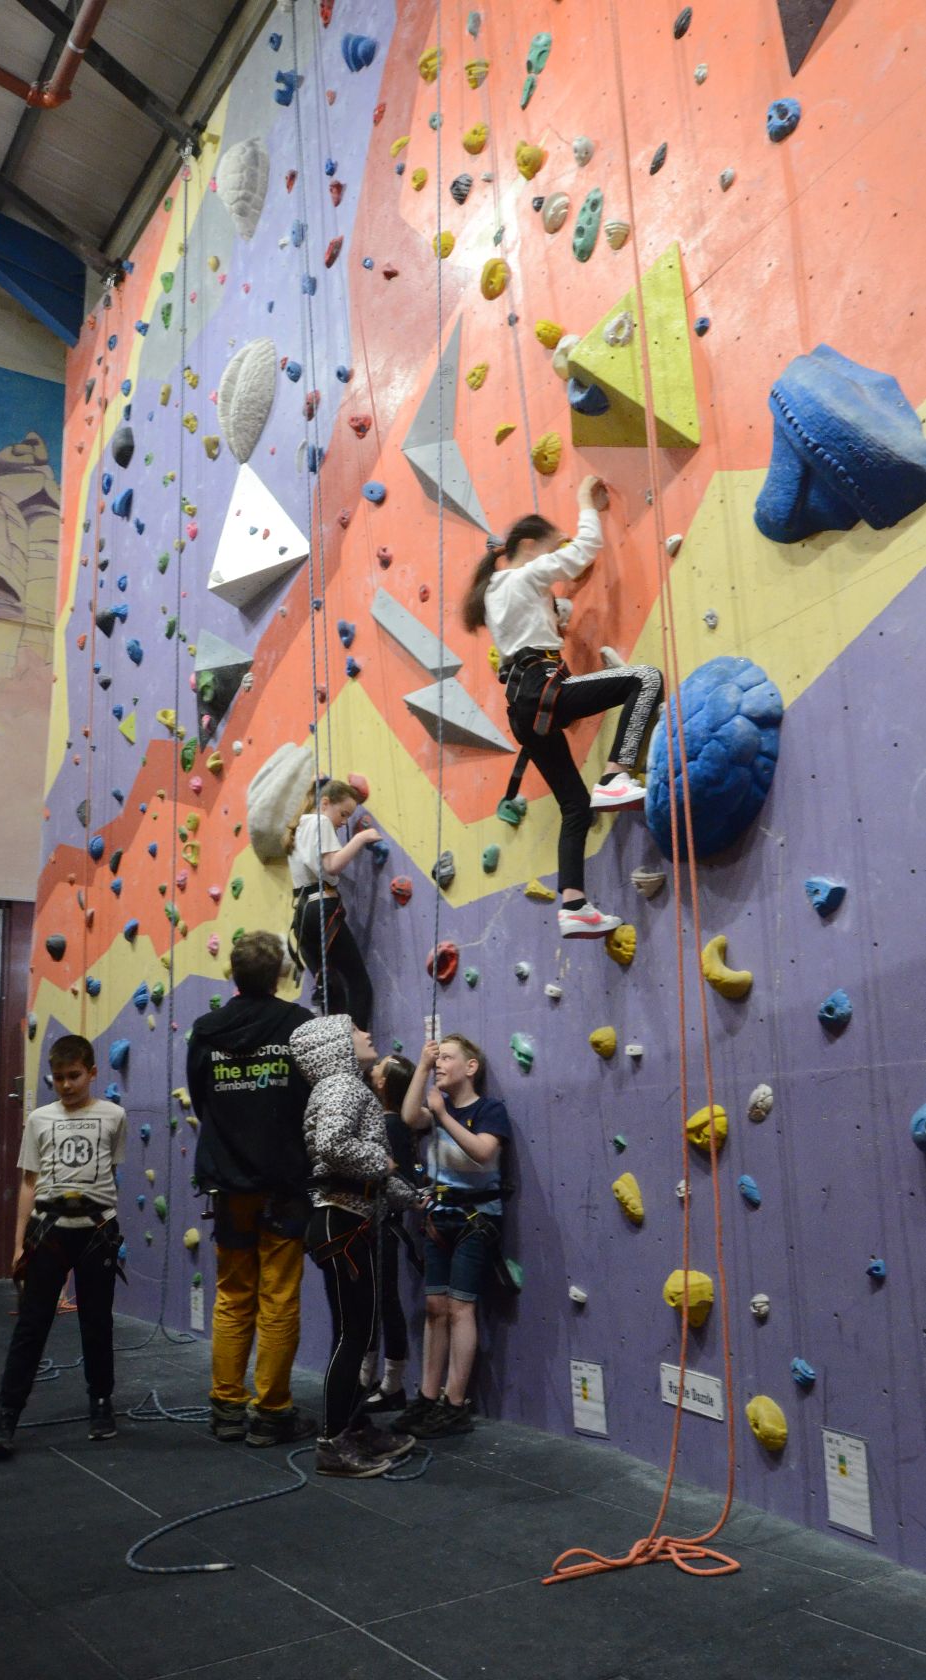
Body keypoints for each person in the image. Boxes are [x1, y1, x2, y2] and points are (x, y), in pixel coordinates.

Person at [462, 474, 663, 939]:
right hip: (541, 686)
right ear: (530, 547)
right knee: (646, 678)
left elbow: (545, 619)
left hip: (523, 708)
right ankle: (614, 775)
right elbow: (584, 550)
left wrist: (560, 614)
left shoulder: (495, 594)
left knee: (575, 807)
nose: (557, 555)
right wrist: (584, 502)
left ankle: (573, 904)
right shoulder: (525, 575)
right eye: (553, 547)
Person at [188, 931, 318, 1448]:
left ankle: (226, 1408)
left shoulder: (206, 1031)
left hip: (229, 1181)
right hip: (284, 1179)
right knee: (279, 1296)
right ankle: (271, 1413)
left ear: (233, 974)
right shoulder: (299, 1025)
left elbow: (202, 1099)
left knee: (233, 1293)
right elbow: (313, 1099)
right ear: (281, 974)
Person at [0, 1034, 126, 1459]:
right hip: (48, 1230)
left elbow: (110, 1173)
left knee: (97, 1322)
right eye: (59, 1077)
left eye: (74, 1076)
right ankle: (6, 1414)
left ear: (92, 1073)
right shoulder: (39, 1119)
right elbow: (29, 1183)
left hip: (96, 1230)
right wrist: (18, 1245)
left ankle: (101, 1402)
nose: (66, 1085)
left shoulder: (114, 1116)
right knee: (32, 1324)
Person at [290, 1014, 419, 1477]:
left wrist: (413, 1197)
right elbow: (334, 1146)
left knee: (359, 1332)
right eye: (355, 1031)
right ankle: (333, 1442)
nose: (366, 1035)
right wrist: (383, 1164)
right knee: (354, 1334)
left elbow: (366, 1176)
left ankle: (354, 1425)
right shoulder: (342, 1087)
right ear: (336, 1047)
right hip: (341, 1224)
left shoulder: (347, 1087)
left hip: (348, 1221)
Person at [394, 1035, 511, 1439]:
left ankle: (455, 1401)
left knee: (461, 1308)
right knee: (435, 1307)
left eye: (447, 1058)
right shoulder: (434, 1109)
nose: (440, 1063)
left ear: (471, 1067)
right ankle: (428, 1396)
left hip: (476, 1218)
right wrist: (422, 1067)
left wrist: (443, 1116)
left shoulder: (489, 1110)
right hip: (439, 1217)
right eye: (437, 1058)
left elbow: (483, 1152)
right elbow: (409, 1115)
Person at [285, 778, 380, 1028]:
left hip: (302, 915)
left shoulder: (298, 827)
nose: (344, 822)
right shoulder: (321, 821)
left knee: (331, 990)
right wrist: (361, 838)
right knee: (359, 984)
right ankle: (354, 1047)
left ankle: (333, 1045)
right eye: (343, 814)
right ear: (325, 803)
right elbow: (331, 865)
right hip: (321, 908)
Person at [359, 1054, 425, 1413]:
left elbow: (400, 1178)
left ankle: (390, 1384)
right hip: (377, 1221)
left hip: (383, 1222)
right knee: (374, 1301)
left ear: (383, 1083)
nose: (373, 1069)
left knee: (383, 1301)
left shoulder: (391, 1124)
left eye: (379, 1067)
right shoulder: (387, 1121)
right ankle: (369, 1379)